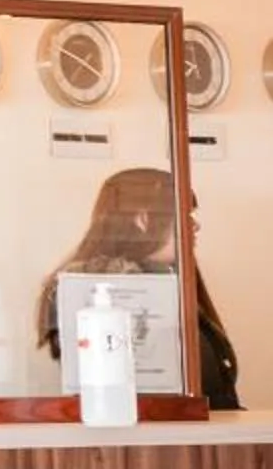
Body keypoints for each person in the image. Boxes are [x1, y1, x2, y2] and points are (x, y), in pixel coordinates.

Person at [36, 168, 241, 410]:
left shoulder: (173, 285)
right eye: (184, 214)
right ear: (142, 220)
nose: (195, 226)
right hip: (153, 439)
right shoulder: (89, 291)